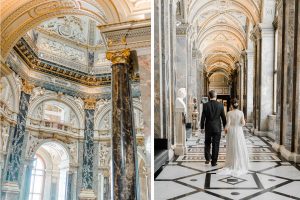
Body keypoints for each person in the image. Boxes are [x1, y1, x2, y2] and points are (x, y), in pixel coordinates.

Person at [219, 98, 249, 176]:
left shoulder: (229, 113)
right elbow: (243, 123)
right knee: (239, 146)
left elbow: (228, 124)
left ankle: (231, 163)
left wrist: (225, 130)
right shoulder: (241, 113)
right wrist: (239, 125)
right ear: (237, 105)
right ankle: (239, 162)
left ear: (231, 105)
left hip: (231, 131)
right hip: (239, 131)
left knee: (232, 146)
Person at [200, 90, 226, 166]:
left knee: (207, 143)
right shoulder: (220, 105)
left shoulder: (205, 105)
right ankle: (214, 162)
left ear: (209, 96)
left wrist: (202, 127)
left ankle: (207, 158)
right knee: (216, 144)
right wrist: (225, 127)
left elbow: (203, 118)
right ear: (216, 96)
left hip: (208, 127)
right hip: (217, 128)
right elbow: (223, 118)